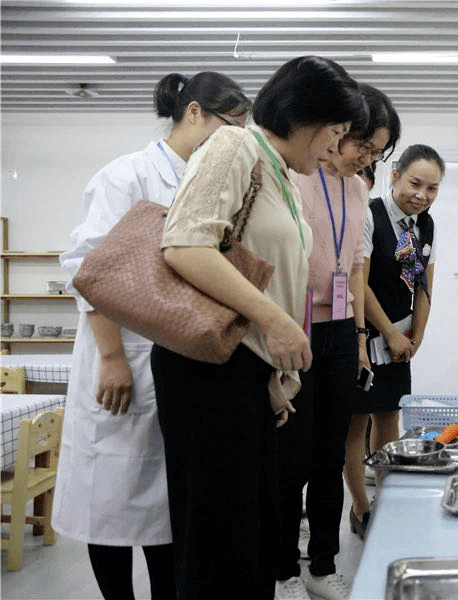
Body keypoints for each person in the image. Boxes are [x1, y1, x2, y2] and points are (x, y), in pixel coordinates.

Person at [149, 56, 366, 600]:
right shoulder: (236, 146)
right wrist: (276, 324)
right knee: (218, 544)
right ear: (305, 115)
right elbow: (184, 246)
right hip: (205, 373)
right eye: (335, 134)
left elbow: (263, 276)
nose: (336, 151)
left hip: (245, 374)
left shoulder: (282, 177)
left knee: (251, 537)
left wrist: (271, 378)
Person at [53, 72, 250, 600]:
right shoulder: (127, 176)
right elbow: (87, 269)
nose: (232, 141)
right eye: (228, 126)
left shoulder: (211, 180)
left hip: (180, 358)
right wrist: (113, 357)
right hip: (122, 356)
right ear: (192, 113)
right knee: (110, 500)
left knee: (168, 502)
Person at [274, 83, 399, 600]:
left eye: (376, 154)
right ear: (338, 132)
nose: (366, 159)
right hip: (293, 325)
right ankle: (282, 567)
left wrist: (359, 332)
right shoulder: (295, 176)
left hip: (340, 334)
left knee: (329, 453)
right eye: (362, 147)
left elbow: (354, 264)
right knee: (290, 456)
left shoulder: (358, 191)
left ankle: (322, 564)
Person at [348, 144, 444, 527]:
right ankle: (360, 507)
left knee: (389, 415)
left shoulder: (426, 224)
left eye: (432, 188)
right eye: (415, 184)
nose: (421, 195)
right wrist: (388, 332)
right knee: (356, 423)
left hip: (399, 339)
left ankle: (387, 500)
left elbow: (423, 284)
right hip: (363, 332)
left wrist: (415, 336)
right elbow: (360, 282)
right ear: (395, 177)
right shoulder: (369, 215)